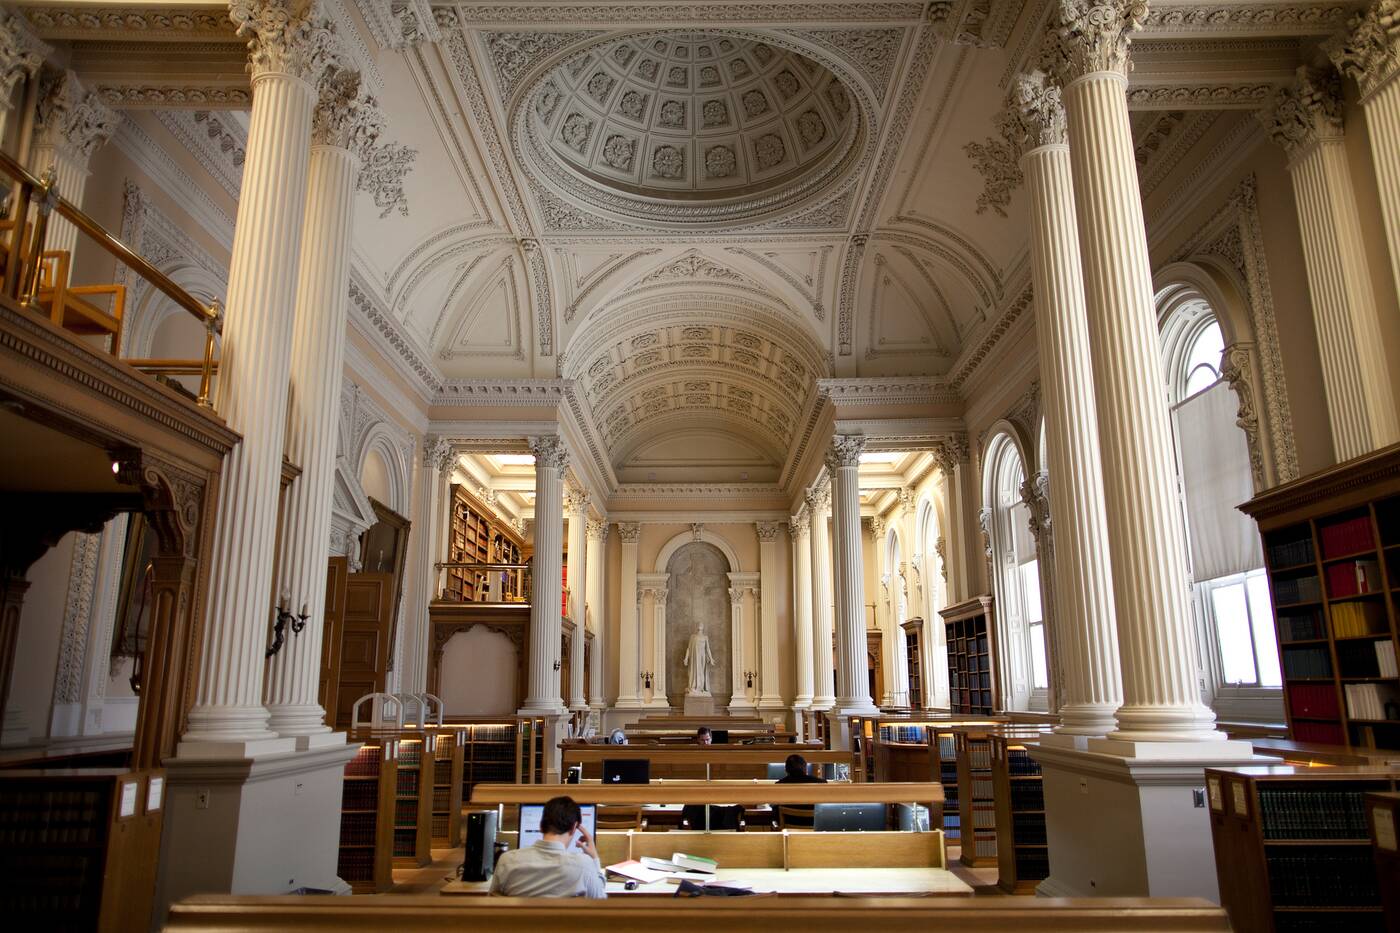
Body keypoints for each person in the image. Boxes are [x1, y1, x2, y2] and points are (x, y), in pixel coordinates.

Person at [489, 796, 606, 898]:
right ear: (574, 828)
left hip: (520, 924)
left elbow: (492, 907)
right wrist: (594, 859)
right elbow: (599, 903)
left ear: (541, 825)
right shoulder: (584, 865)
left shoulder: (507, 861)